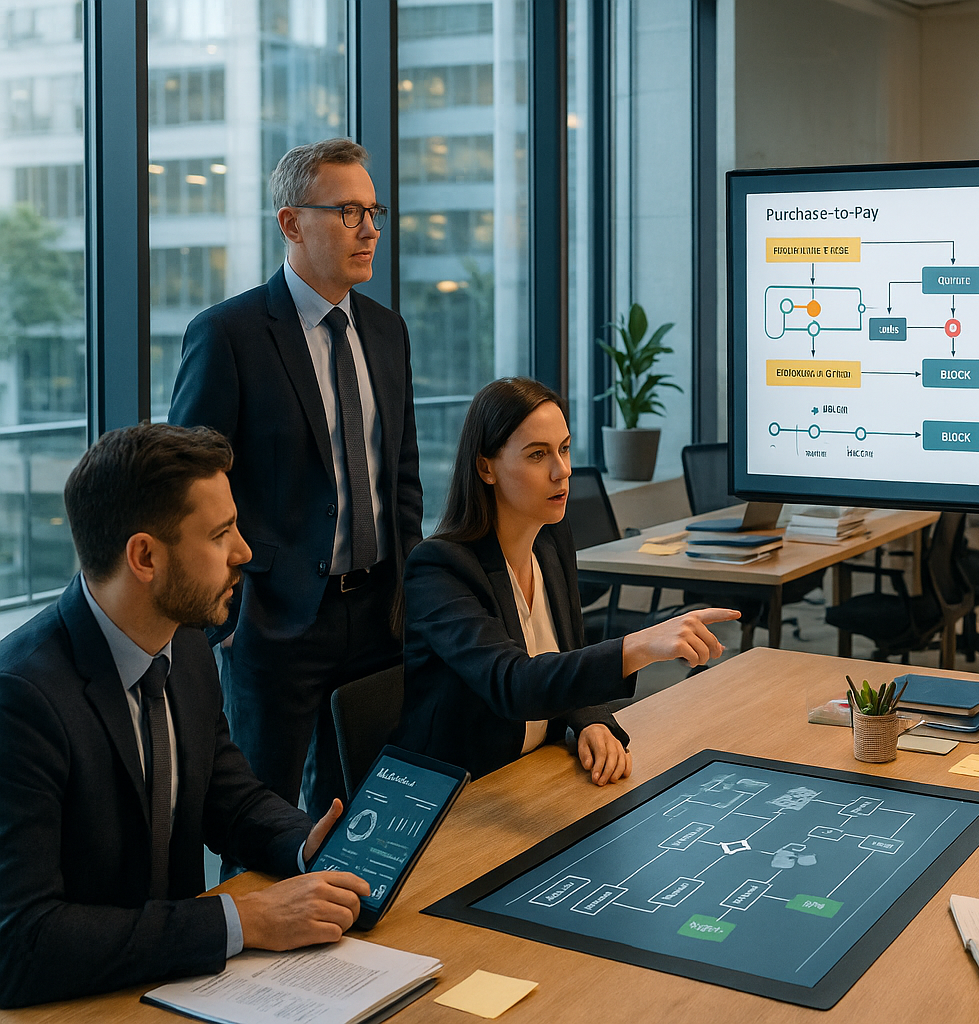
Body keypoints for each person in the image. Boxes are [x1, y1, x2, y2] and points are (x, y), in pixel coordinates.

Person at [0, 424, 371, 1008]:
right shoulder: (20, 698)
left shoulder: (187, 645)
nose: (244, 552)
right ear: (145, 556)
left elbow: (228, 797)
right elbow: (20, 945)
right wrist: (239, 920)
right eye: (221, 533)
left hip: (183, 989)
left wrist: (307, 846)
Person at [169, 138, 423, 819]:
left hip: (377, 616)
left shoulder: (389, 332)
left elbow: (401, 476)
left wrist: (409, 590)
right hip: (273, 621)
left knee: (368, 810)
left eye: (374, 211)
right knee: (263, 814)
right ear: (291, 223)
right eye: (348, 211)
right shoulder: (228, 334)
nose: (370, 229)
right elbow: (189, 485)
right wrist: (220, 619)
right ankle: (255, 929)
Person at [392, 377, 739, 782]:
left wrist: (591, 719)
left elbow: (564, 653)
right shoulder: (439, 568)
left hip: (534, 772)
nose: (563, 471)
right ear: (486, 467)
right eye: (538, 455)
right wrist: (640, 644)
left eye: (564, 448)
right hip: (460, 793)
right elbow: (514, 683)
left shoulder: (551, 537)